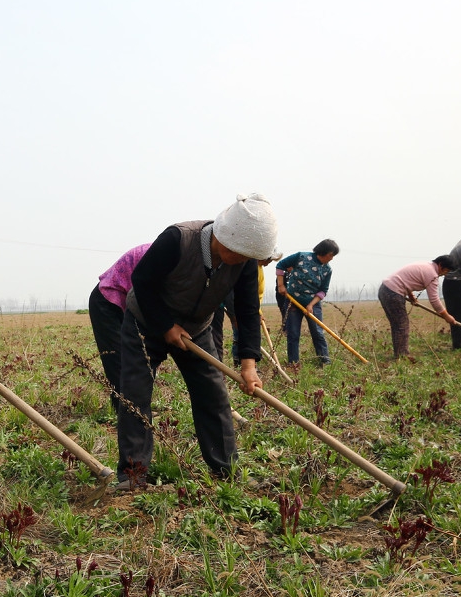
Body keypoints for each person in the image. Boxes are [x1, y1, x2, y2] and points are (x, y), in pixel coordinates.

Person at [117, 194, 276, 487]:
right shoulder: (178, 239)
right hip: (146, 321)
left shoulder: (244, 263)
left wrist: (249, 363)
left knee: (213, 394)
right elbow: (143, 281)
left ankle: (226, 470)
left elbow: (248, 310)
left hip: (197, 329)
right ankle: (133, 475)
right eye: (238, 252)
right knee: (135, 394)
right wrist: (166, 325)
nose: (241, 260)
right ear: (223, 236)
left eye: (247, 256)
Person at [88, 244, 151, 415]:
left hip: (130, 306)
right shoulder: (163, 253)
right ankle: (125, 410)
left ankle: (137, 406)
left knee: (136, 356)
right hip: (106, 300)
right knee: (116, 357)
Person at [378, 256, 457, 359]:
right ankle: (402, 356)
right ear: (441, 265)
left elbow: (405, 279)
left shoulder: (425, 266)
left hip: (385, 289)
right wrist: (447, 316)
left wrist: (410, 296)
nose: (445, 274)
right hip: (393, 293)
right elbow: (434, 300)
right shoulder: (432, 275)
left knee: (397, 325)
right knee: (402, 325)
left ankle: (399, 355)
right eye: (446, 271)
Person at [277, 239, 339, 365]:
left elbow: (323, 291)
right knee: (293, 333)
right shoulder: (301, 257)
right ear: (324, 252)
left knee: (317, 332)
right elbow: (280, 265)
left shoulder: (327, 270)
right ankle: (293, 363)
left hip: (313, 304)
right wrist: (281, 285)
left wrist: (311, 305)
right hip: (292, 301)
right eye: (331, 255)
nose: (332, 258)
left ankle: (324, 360)